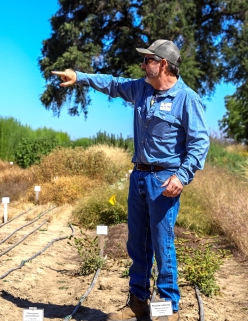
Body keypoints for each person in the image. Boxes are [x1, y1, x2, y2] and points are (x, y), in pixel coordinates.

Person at [52, 39, 209, 321]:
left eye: (148, 59)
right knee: (136, 243)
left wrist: (182, 176)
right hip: (138, 176)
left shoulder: (187, 99)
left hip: (164, 180)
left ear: (163, 64)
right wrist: (79, 77)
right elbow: (112, 84)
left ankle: (167, 306)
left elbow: (199, 144)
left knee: (163, 243)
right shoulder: (140, 89)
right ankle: (137, 302)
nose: (142, 64)